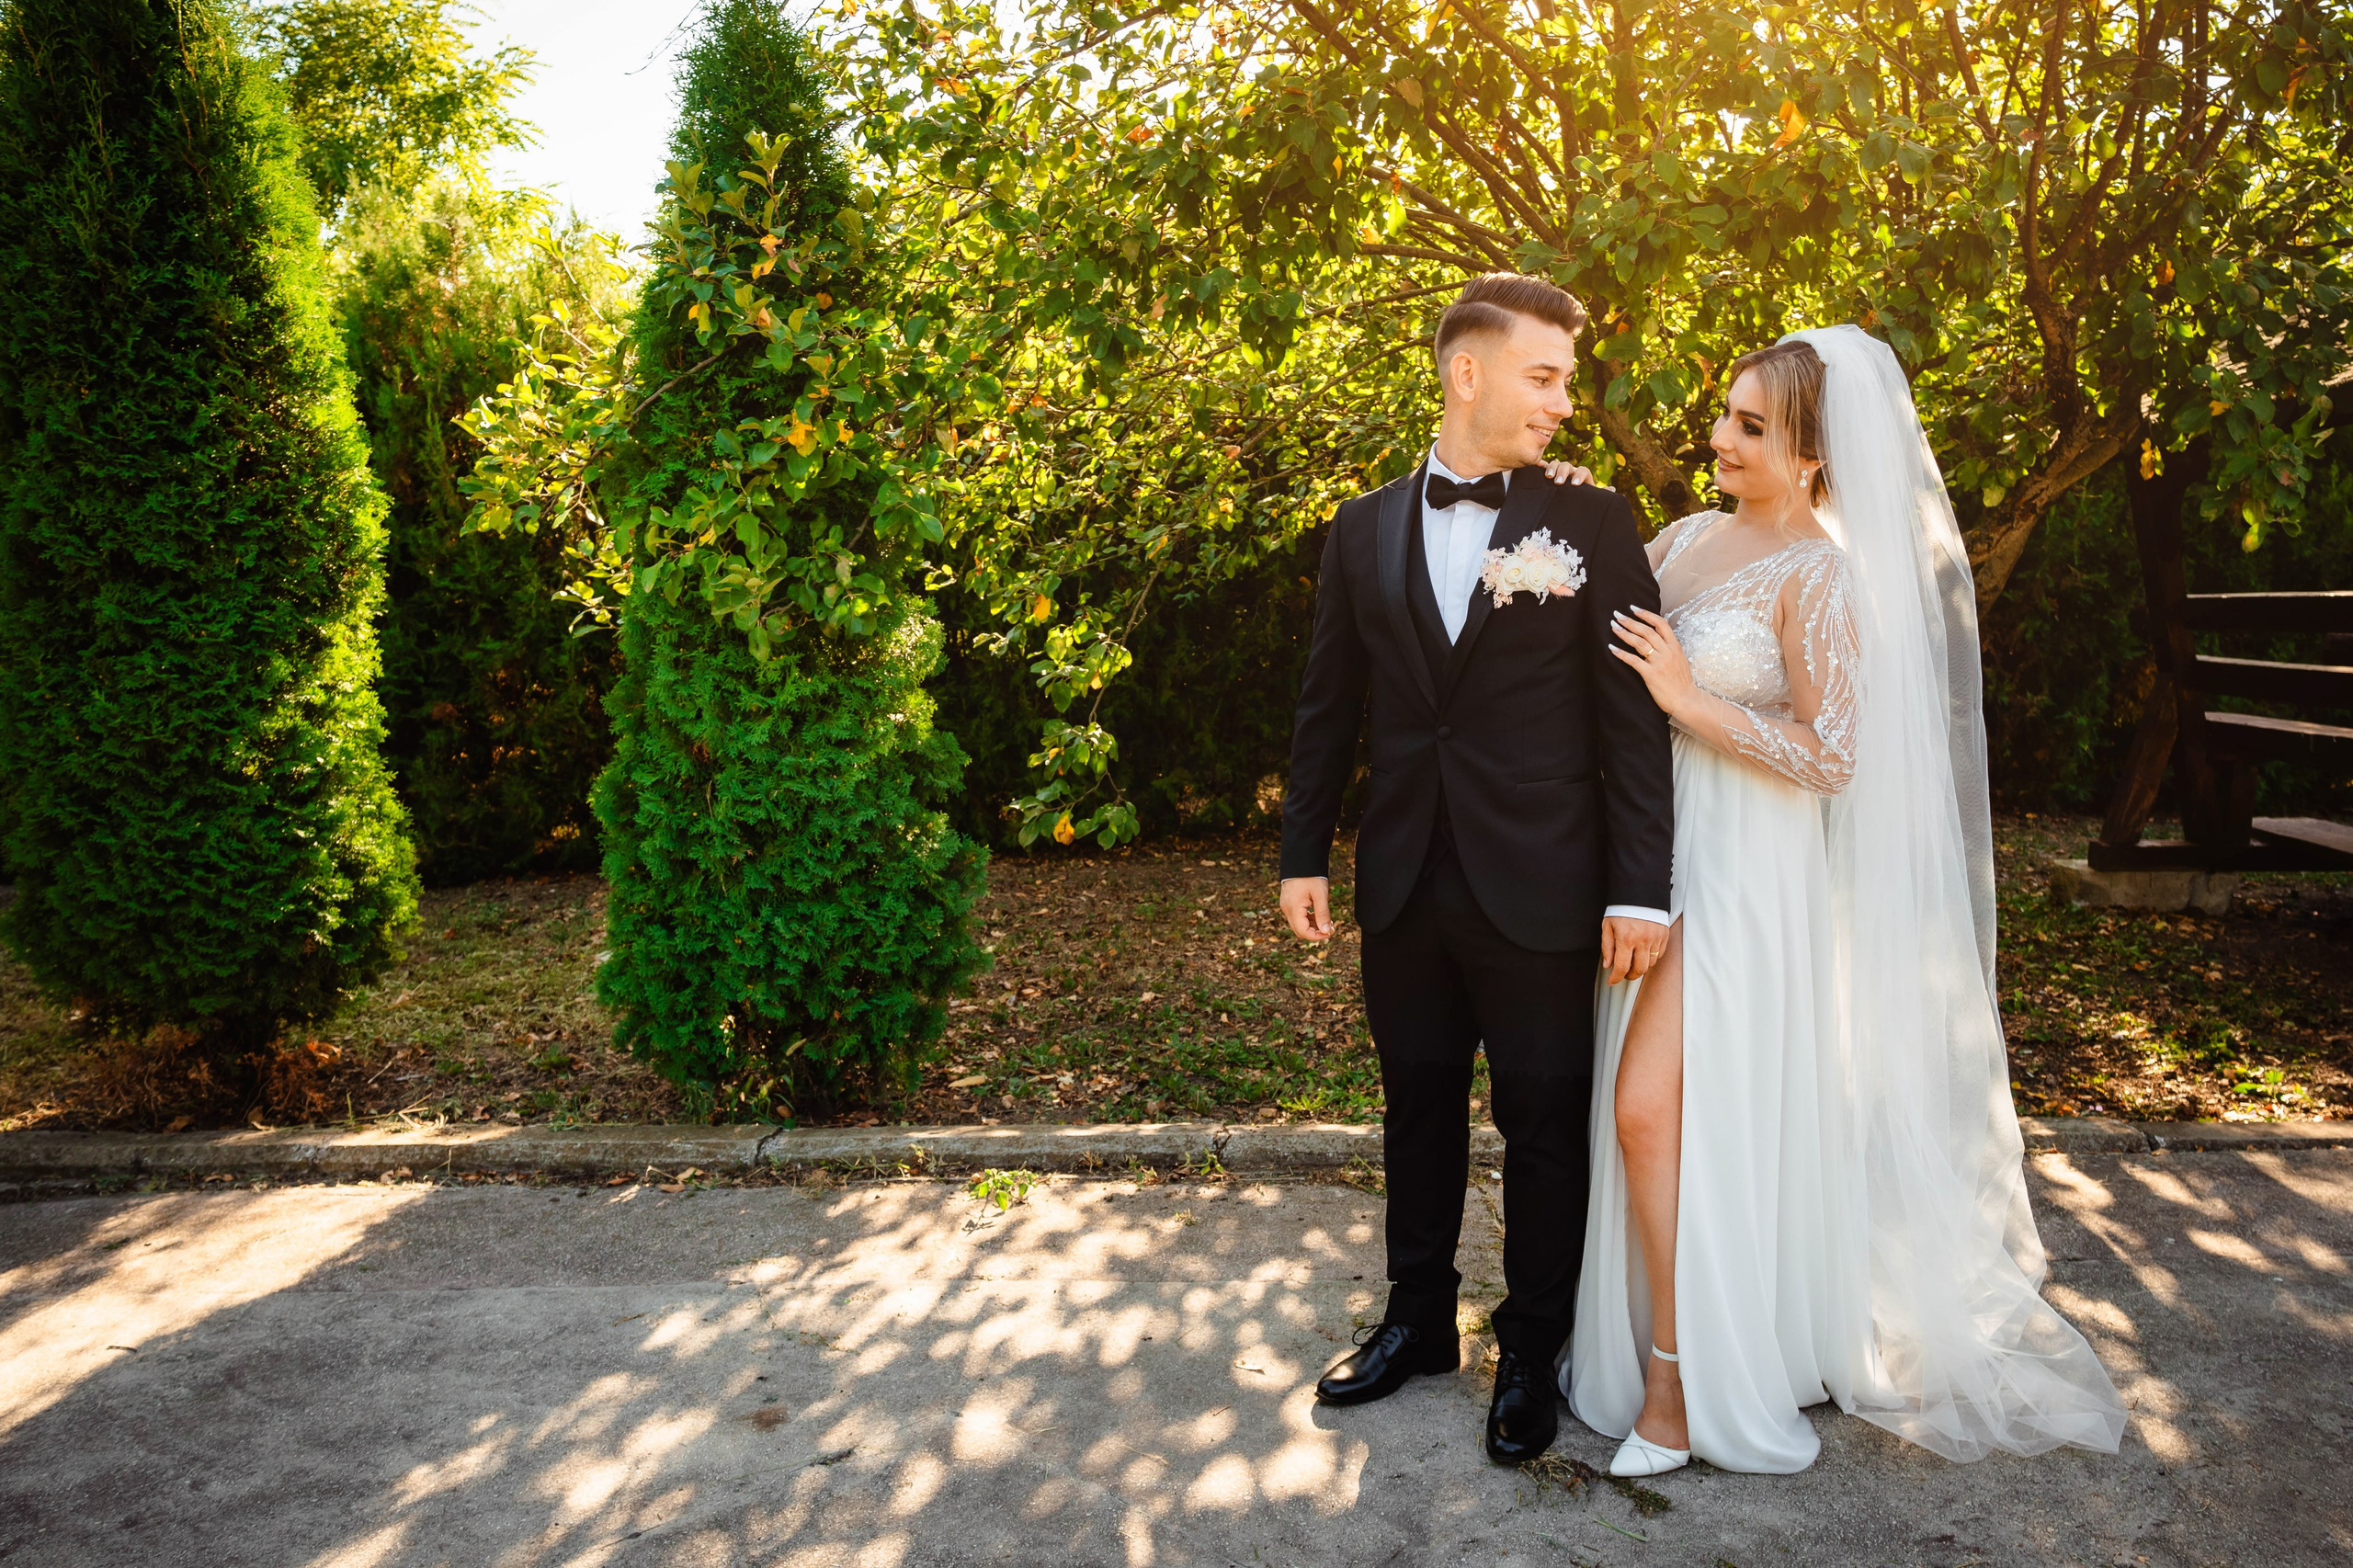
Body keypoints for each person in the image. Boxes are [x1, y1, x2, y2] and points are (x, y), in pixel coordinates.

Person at [1563, 327, 2128, 1476]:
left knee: (1645, 1109)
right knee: (1667, 1119)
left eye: (1751, 427)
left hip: (1748, 869)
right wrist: (1571, 509)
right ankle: (1663, 1344)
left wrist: (1687, 699)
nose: (1719, 437)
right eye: (1725, 414)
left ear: (1818, 457)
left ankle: (1677, 1387)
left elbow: (1831, 757)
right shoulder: (1680, 538)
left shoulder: (1819, 571)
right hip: (1654, 855)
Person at [1277, 272, 1673, 1465]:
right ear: (1469, 372)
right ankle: (1415, 1321)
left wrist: (1640, 885)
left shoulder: (1592, 523)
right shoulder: (1360, 528)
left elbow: (1630, 720)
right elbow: (1328, 702)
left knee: (1546, 1119)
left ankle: (1533, 1348)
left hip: (1546, 880)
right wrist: (1304, 851)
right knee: (1417, 1106)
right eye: (1543, 375)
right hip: (1404, 876)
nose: (1562, 400)